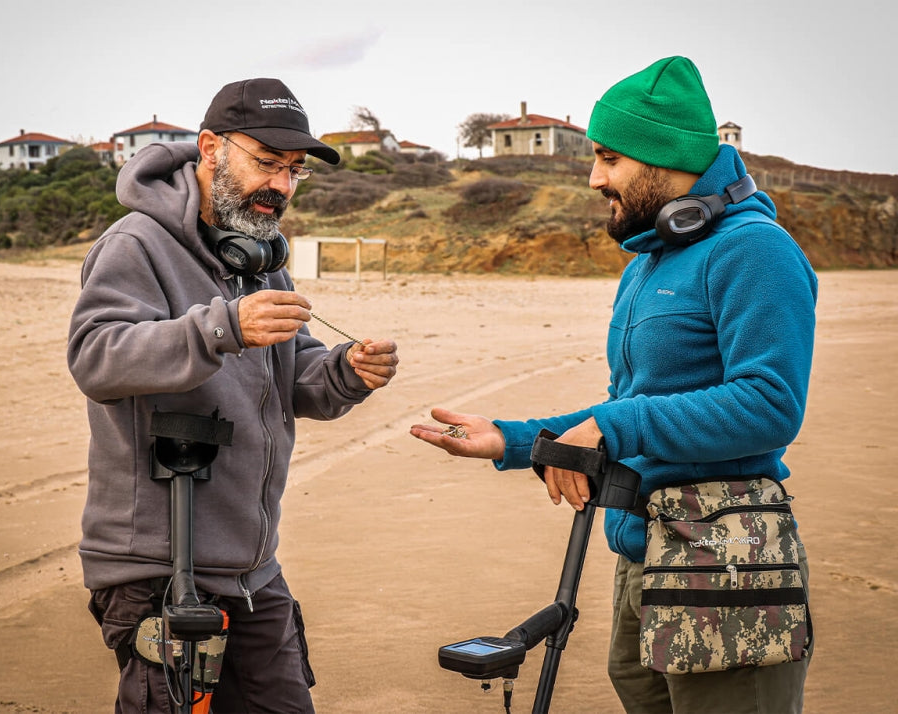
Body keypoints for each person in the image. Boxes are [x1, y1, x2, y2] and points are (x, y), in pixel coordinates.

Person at [410, 56, 816, 714]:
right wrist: (516, 441)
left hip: (726, 555)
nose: (595, 177)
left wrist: (615, 426)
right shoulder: (649, 260)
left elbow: (770, 406)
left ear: (664, 156)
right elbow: (631, 408)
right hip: (643, 550)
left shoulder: (755, 250)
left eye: (609, 158)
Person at [67, 77, 398, 713]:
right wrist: (222, 327)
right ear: (211, 147)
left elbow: (292, 379)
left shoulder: (262, 256)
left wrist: (345, 371)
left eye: (295, 170)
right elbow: (95, 357)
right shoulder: (135, 243)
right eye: (267, 162)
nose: (282, 183)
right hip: (157, 569)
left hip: (253, 569)